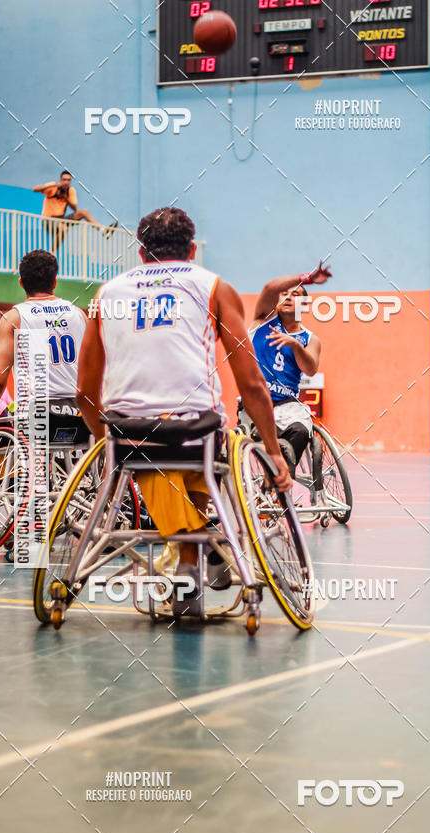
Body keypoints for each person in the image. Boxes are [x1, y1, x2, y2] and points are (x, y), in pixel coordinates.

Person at [76, 206, 292, 614]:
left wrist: (101, 437)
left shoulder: (104, 295)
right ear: (192, 250)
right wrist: (274, 449)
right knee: (204, 446)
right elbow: (250, 382)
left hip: (127, 432)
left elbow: (85, 390)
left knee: (150, 454)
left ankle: (192, 561)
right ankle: (200, 553)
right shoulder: (213, 287)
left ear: (140, 254)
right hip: (195, 429)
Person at [0, 250, 87, 455]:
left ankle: (14, 484)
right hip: (78, 416)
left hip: (37, 416)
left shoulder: (13, 319)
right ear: (55, 282)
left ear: (21, 283)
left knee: (6, 433)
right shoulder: (79, 315)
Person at [246, 263, 331, 476]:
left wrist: (294, 346)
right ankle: (274, 481)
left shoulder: (310, 339)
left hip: (287, 406)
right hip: (257, 402)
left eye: (295, 295)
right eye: (284, 294)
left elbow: (310, 368)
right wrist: (307, 277)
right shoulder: (263, 319)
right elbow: (269, 288)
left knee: (302, 431)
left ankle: (280, 484)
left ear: (304, 304)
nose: (288, 297)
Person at [33, 170, 117, 245]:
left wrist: (66, 198)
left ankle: (103, 231)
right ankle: (52, 253)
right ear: (60, 180)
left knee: (83, 212)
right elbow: (35, 189)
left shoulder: (70, 191)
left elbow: (74, 208)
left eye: (68, 180)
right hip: (49, 220)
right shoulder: (53, 186)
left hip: (61, 219)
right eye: (64, 179)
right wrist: (54, 185)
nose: (66, 182)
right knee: (64, 228)